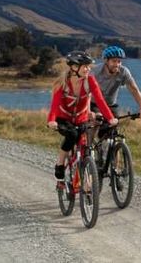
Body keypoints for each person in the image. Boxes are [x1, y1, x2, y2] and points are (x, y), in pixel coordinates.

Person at [47, 51, 117, 186]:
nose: (88, 69)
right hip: (64, 119)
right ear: (73, 67)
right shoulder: (62, 83)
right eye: (84, 66)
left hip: (81, 118)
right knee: (72, 135)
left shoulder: (90, 81)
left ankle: (85, 180)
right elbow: (54, 106)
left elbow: (101, 101)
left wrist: (110, 118)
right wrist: (52, 121)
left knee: (85, 148)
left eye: (89, 66)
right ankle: (60, 164)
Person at [94, 45, 141, 120]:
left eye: (119, 61)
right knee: (97, 123)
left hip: (111, 105)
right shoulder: (95, 72)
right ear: (106, 61)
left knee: (113, 127)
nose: (117, 64)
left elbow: (134, 90)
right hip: (94, 105)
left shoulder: (123, 72)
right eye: (114, 61)